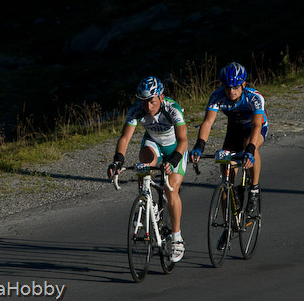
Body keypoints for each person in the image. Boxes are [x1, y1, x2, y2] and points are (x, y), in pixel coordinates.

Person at [107, 76, 188, 263]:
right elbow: (125, 139)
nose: (148, 107)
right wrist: (117, 161)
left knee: (171, 189)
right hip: (153, 145)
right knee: (143, 161)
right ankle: (145, 201)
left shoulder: (172, 108)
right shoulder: (137, 110)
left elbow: (183, 140)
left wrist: (174, 160)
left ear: (161, 96)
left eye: (152, 101)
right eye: (144, 102)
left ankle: (177, 238)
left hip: (175, 149)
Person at [190, 62, 268, 213]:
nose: (231, 91)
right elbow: (207, 123)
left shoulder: (255, 97)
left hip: (256, 127)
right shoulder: (217, 96)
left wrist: (250, 150)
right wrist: (199, 146)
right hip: (235, 129)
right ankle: (228, 225)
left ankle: (254, 188)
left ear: (243, 84)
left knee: (249, 145)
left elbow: (256, 125)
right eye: (227, 87)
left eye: (235, 87)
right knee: (226, 173)